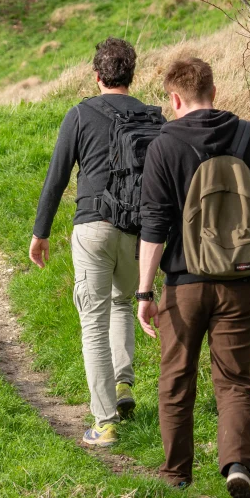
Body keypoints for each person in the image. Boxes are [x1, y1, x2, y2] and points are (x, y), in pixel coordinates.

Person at [136, 57, 250, 498]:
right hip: (241, 281)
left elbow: (154, 224)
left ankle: (176, 478)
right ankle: (237, 466)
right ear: (215, 91)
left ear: (175, 99)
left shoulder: (164, 146)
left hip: (183, 285)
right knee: (236, 380)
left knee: (176, 378)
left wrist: (145, 292)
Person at [29, 37, 160, 447]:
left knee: (93, 322)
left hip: (93, 228)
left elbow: (57, 177)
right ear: (131, 74)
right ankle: (124, 384)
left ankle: (103, 423)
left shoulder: (80, 114)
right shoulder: (154, 118)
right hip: (140, 231)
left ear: (96, 74)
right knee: (124, 302)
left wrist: (41, 232)